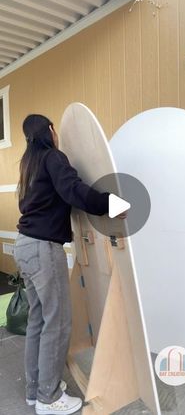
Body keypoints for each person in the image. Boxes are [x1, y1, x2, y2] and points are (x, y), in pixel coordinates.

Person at [13, 114, 117, 415]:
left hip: (25, 246)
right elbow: (74, 190)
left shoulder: (28, 166)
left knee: (38, 321)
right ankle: (49, 398)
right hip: (44, 249)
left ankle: (35, 392)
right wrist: (111, 204)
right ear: (49, 131)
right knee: (57, 324)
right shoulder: (53, 157)